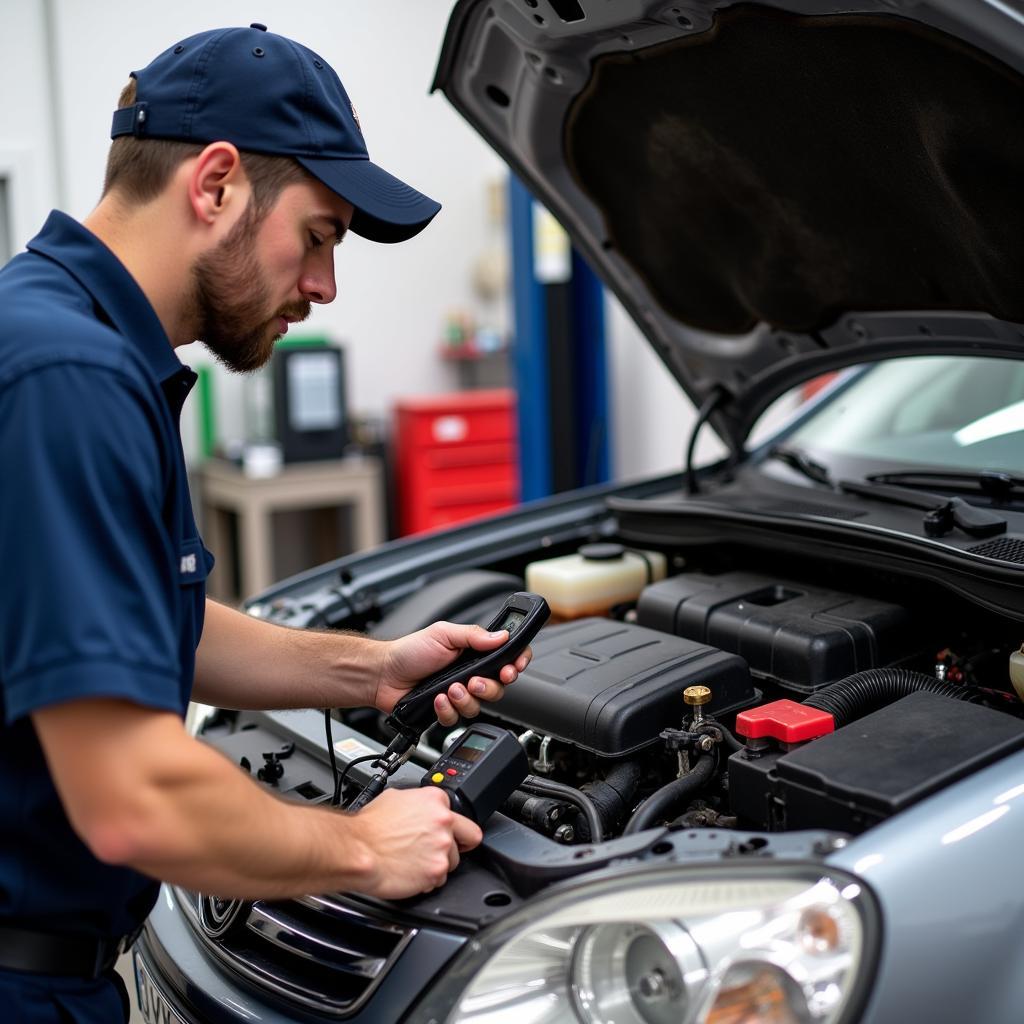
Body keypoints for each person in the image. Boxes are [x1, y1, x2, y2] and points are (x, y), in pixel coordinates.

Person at [0, 24, 531, 1023]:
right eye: (320, 235)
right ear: (215, 185)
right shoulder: (70, 379)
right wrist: (363, 846)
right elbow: (132, 798)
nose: (325, 285)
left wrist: (367, 670)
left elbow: (148, 619)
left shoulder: (60, 335)